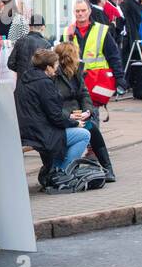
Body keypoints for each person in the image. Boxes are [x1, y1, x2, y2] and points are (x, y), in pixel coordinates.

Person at [15, 48, 91, 185]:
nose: (56, 69)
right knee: (84, 135)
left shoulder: (24, 79)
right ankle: (62, 173)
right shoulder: (44, 83)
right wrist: (75, 123)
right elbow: (55, 116)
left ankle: (53, 170)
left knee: (66, 137)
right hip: (41, 133)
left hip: (27, 129)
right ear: (48, 67)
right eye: (55, 66)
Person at [53, 42, 115, 182]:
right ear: (69, 57)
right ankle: (69, 168)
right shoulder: (54, 75)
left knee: (93, 129)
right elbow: (53, 103)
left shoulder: (77, 72)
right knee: (90, 129)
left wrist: (87, 111)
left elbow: (84, 95)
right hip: (64, 117)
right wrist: (70, 115)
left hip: (78, 114)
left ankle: (108, 168)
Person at [65, 0, 121, 92]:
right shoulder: (67, 32)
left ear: (89, 11)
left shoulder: (101, 30)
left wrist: (119, 78)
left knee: (90, 106)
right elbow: (62, 57)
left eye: (83, 10)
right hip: (73, 81)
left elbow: (113, 56)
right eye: (77, 11)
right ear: (74, 13)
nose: (80, 13)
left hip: (96, 81)